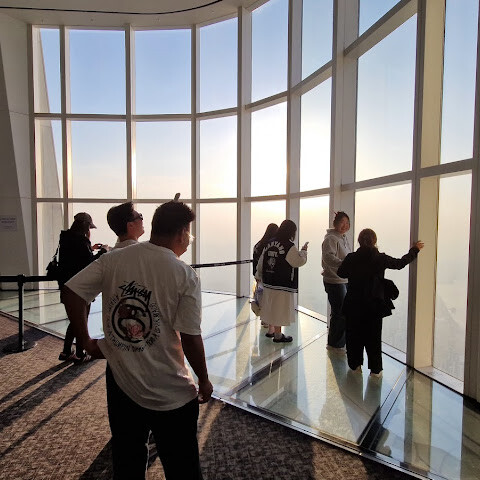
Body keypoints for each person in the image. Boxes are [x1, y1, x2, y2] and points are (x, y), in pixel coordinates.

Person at [61, 200, 213, 480]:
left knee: (128, 462)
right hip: (170, 391)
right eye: (189, 233)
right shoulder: (184, 274)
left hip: (121, 382)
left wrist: (86, 341)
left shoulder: (113, 259)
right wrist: (203, 379)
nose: (189, 239)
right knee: (183, 469)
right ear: (182, 232)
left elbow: (71, 292)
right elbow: (190, 337)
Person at [337, 228, 424, 377]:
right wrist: (414, 250)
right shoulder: (380, 258)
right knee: (373, 338)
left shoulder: (352, 258)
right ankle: (375, 370)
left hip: (354, 304)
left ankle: (355, 365)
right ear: (375, 241)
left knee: (354, 336)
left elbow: (341, 273)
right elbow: (400, 263)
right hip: (373, 305)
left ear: (359, 241)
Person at [57, 212, 108, 363]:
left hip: (67, 287)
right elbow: (89, 263)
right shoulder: (81, 241)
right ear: (85, 226)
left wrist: (90, 248)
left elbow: (74, 259)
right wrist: (103, 251)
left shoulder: (66, 238)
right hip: (81, 288)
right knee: (81, 321)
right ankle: (80, 354)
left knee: (75, 320)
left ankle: (66, 352)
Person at [256, 219, 308, 343]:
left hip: (268, 281)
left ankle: (271, 331)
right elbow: (298, 261)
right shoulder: (288, 245)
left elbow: (261, 261)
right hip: (282, 283)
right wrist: (304, 252)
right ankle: (278, 336)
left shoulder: (270, 243)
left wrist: (259, 275)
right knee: (279, 310)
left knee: (271, 307)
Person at [321, 211, 351, 352]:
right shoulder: (331, 239)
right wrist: (344, 264)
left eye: (347, 223)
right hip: (334, 280)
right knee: (340, 312)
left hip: (342, 279)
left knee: (341, 312)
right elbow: (328, 257)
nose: (345, 225)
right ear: (335, 223)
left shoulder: (343, 237)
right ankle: (335, 345)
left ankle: (338, 342)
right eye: (342, 222)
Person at [251, 223, 278, 320]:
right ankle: (268, 319)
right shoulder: (271, 246)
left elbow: (255, 262)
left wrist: (255, 274)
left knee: (261, 297)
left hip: (258, 276)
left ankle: (263, 318)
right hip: (269, 276)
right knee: (270, 299)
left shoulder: (258, 245)